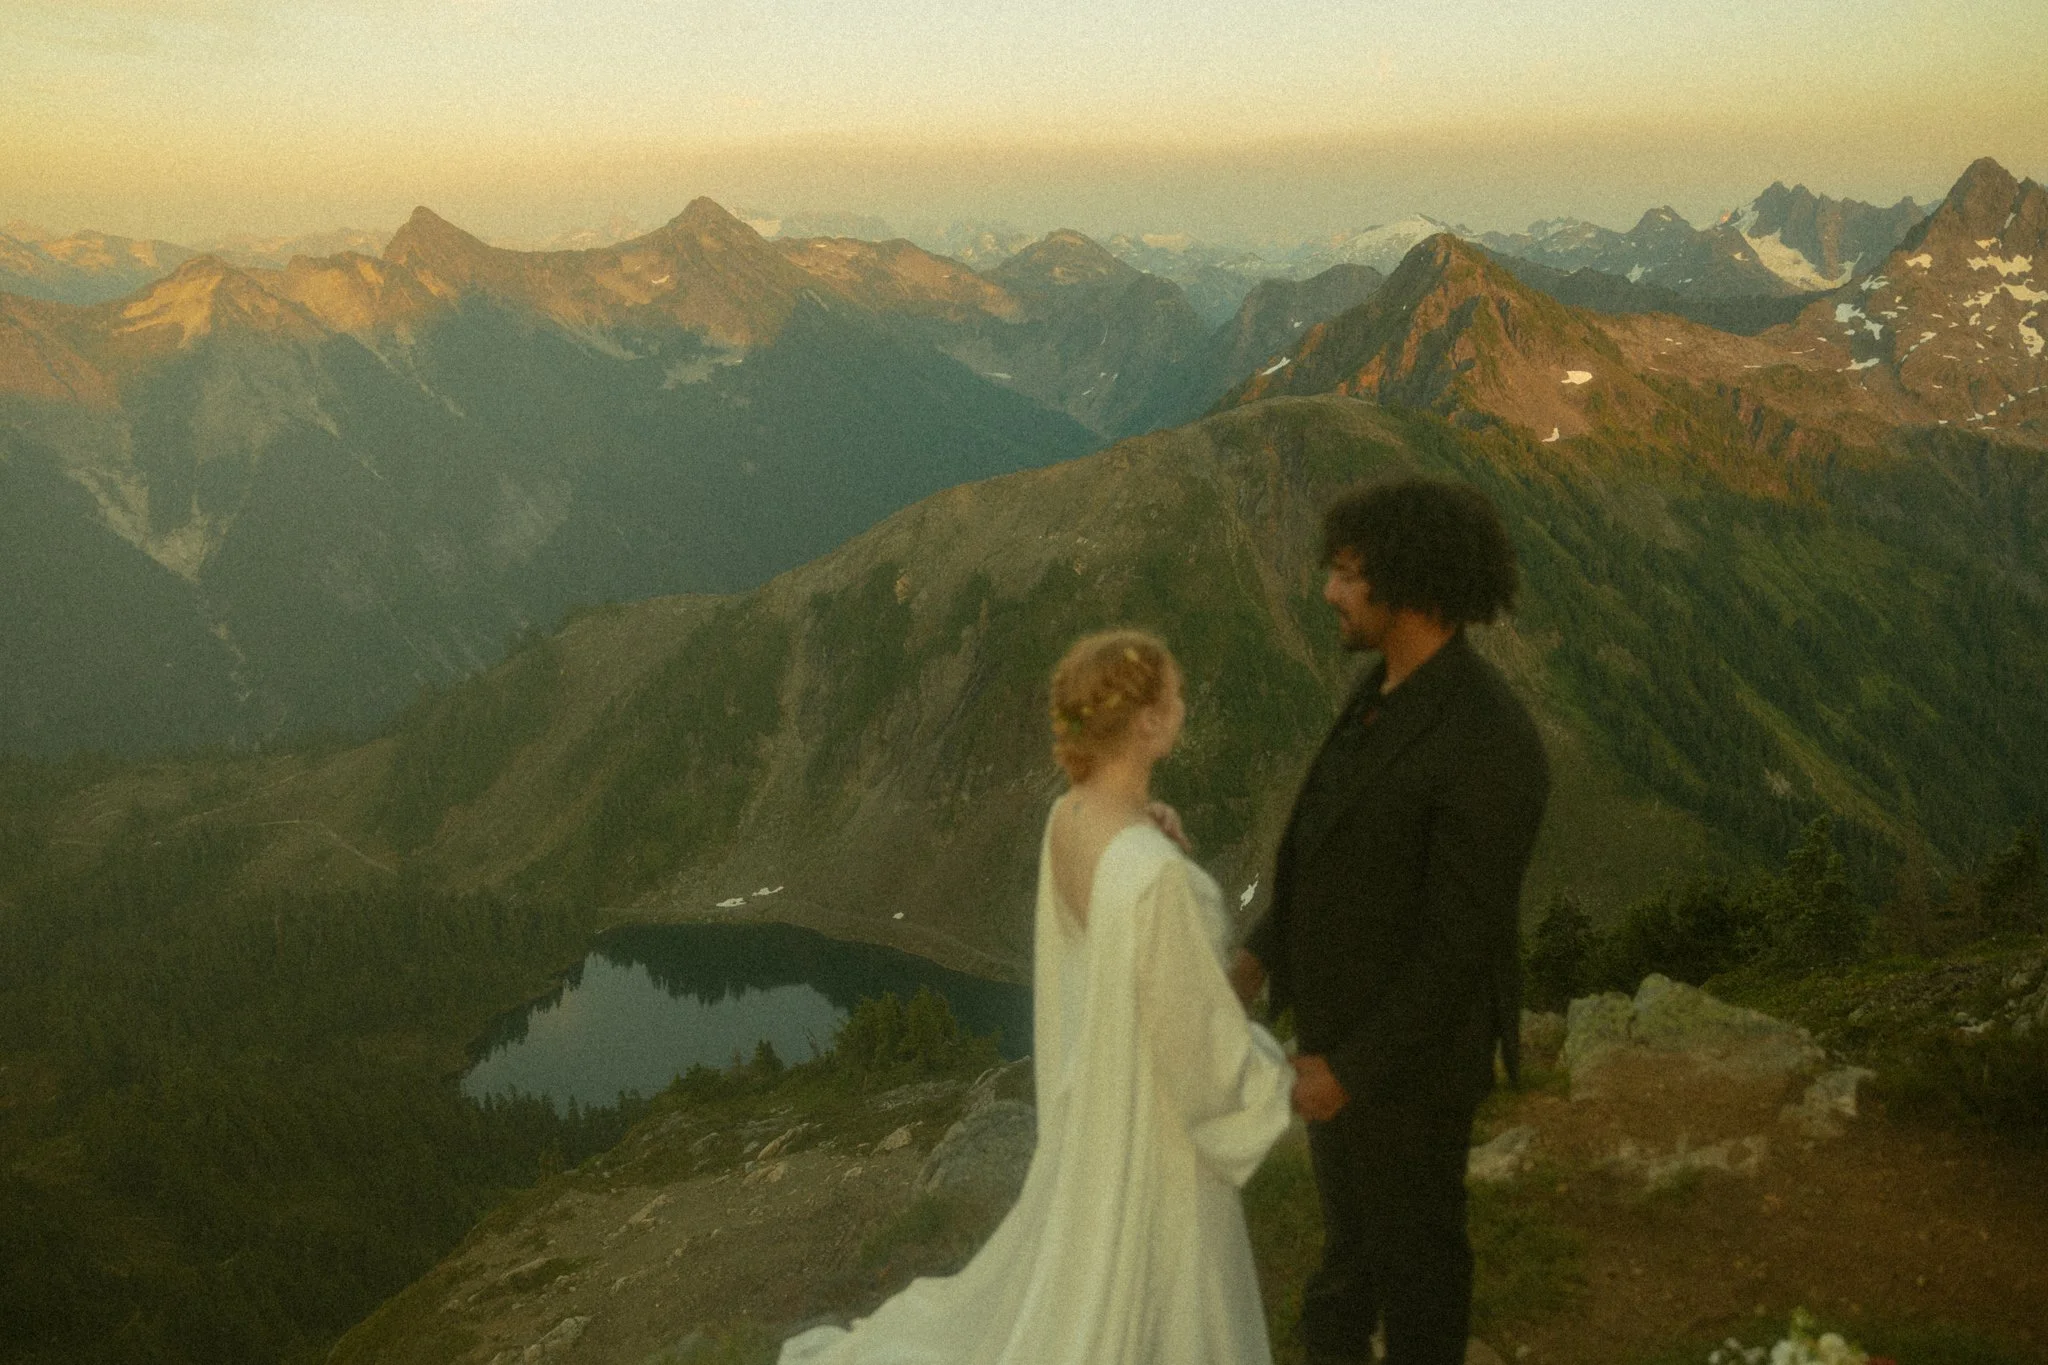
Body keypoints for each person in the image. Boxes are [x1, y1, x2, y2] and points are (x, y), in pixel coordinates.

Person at [779, 629, 1294, 1365]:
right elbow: (1200, 1053)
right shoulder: (1155, 876)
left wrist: (1153, 835)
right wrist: (1280, 1078)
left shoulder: (1072, 820)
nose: (1184, 704)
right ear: (1146, 720)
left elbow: (1102, 965)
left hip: (1101, 1114)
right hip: (1158, 1145)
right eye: (1175, 694)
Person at [1230, 478, 1551, 1365]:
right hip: (1340, 1037)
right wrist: (1259, 956)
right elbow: (1326, 847)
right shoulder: (1384, 689)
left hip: (1412, 1064)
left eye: (1347, 573)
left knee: (1417, 1260)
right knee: (1354, 1250)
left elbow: (1460, 947)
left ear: (1409, 585)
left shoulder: (1491, 739)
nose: (1328, 590)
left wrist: (1352, 1071)